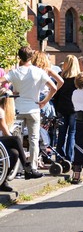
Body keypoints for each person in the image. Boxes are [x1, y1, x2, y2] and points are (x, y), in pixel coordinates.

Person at [0, 46, 57, 178]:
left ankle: (17, 167)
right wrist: (45, 101)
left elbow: (2, 80)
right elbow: (53, 87)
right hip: (34, 108)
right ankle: (32, 167)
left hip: (18, 108)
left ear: (20, 57)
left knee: (16, 139)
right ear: (31, 57)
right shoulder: (38, 72)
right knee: (34, 139)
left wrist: (6, 92)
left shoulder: (15, 72)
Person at [0, 88, 37, 191]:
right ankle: (27, 168)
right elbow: (6, 133)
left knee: (14, 153)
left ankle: (3, 180)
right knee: (15, 139)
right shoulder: (0, 112)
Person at [53, 55, 80, 162]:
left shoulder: (61, 76)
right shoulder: (78, 78)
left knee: (62, 133)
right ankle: (70, 157)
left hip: (62, 107)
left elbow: (56, 93)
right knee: (72, 133)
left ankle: (59, 156)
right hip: (74, 108)